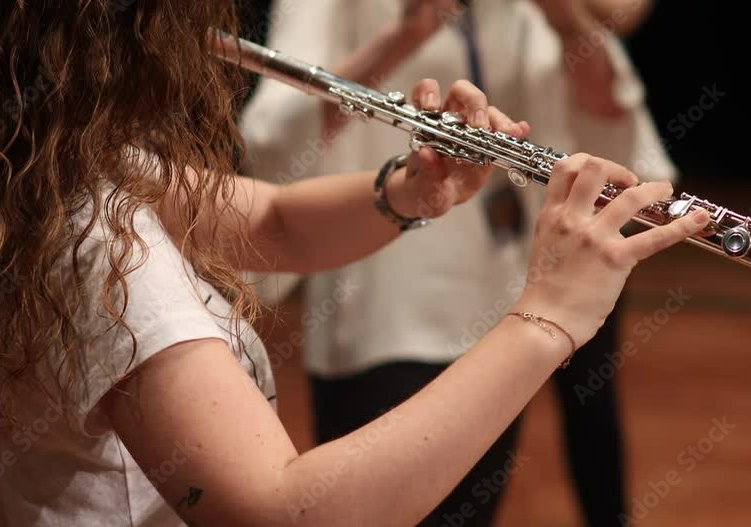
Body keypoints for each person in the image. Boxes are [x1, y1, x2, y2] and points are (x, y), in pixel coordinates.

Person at [0, 2, 709, 526]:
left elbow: (275, 223)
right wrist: (549, 316)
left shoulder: (27, 174)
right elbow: (285, 511)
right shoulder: (95, 247)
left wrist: (410, 189)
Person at [241, 1, 673, 524]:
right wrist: (407, 34)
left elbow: (613, 124)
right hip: (383, 310)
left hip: (496, 303)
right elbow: (273, 139)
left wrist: (566, 17)